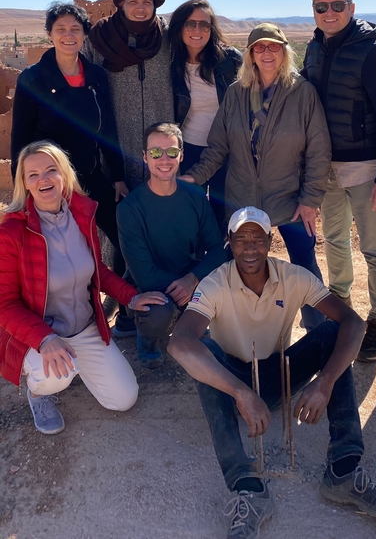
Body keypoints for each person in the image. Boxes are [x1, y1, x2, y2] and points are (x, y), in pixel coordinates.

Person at [168, 206, 376, 537]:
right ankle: (249, 488)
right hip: (233, 379)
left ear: (270, 240)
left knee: (329, 334)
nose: (250, 248)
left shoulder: (293, 277)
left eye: (257, 239)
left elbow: (352, 322)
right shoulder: (215, 283)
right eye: (241, 240)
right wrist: (240, 392)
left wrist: (324, 382)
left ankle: (343, 469)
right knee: (204, 351)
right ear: (230, 243)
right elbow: (179, 342)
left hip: (280, 371)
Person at [0, 141, 166, 435]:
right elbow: (5, 304)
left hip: (85, 328)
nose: (44, 180)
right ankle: (39, 392)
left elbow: (96, 272)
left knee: (124, 399)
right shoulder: (12, 232)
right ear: (24, 183)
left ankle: (74, 364)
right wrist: (45, 339)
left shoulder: (80, 215)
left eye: (51, 170)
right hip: (41, 332)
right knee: (56, 377)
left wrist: (132, 296)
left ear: (64, 175)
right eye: (33, 174)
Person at [181, 22, 331, 331]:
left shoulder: (303, 93)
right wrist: (195, 177)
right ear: (250, 54)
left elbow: (319, 151)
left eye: (273, 46)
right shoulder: (236, 94)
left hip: (289, 198)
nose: (266, 53)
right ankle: (232, 326)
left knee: (304, 263)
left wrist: (310, 200)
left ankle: (321, 330)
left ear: (284, 51)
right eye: (259, 47)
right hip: (241, 198)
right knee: (233, 263)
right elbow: (218, 147)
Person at [302, 0, 376, 362]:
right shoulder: (313, 48)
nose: (329, 13)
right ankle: (342, 311)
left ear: (352, 7)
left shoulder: (373, 51)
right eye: (321, 7)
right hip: (325, 167)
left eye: (337, 6)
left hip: (366, 168)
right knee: (335, 242)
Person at [10, 2, 127, 284]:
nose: (68, 35)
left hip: (89, 174)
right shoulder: (33, 79)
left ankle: (123, 300)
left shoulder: (96, 76)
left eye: (75, 29)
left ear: (85, 35)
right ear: (49, 34)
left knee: (123, 236)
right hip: (52, 183)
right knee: (65, 250)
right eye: (60, 29)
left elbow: (107, 128)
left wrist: (119, 177)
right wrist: (23, 189)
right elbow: (20, 138)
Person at [116, 123, 227, 368]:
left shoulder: (195, 195)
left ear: (182, 155)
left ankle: (188, 321)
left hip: (188, 276)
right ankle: (148, 339)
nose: (164, 159)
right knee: (160, 309)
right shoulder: (129, 208)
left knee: (220, 286)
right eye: (156, 152)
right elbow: (143, 273)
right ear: (145, 157)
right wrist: (184, 290)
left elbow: (218, 248)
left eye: (171, 152)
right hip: (151, 285)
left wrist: (193, 279)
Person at [83, 0, 174, 191]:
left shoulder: (168, 38)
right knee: (115, 211)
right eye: (133, 1)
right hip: (114, 141)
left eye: (147, 2)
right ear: (121, 2)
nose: (140, 8)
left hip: (162, 144)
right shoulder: (99, 38)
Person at [169, 0, 242, 232]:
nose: (198, 30)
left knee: (224, 214)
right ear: (180, 27)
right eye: (191, 24)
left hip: (226, 150)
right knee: (192, 212)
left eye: (204, 25)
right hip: (189, 148)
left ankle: (224, 265)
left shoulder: (230, 60)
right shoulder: (171, 63)